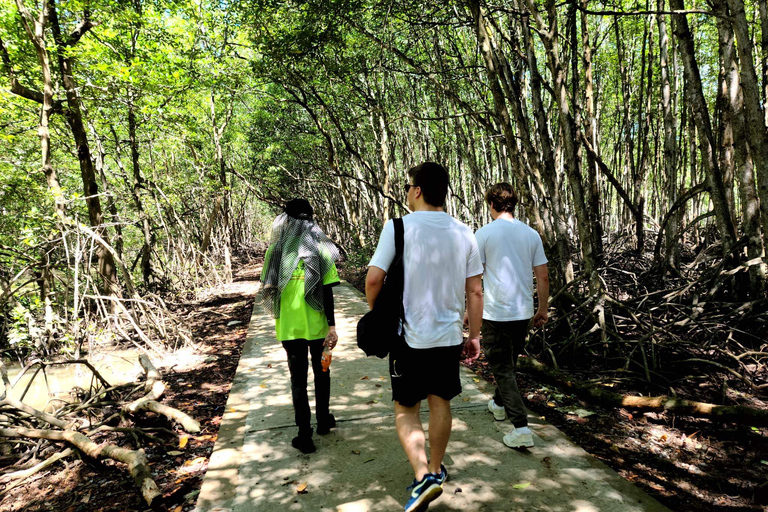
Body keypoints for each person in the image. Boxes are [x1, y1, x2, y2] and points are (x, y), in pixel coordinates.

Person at [366, 162, 484, 512]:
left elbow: (374, 279)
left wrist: (379, 314)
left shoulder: (398, 227)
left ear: (417, 190)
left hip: (408, 336)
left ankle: (423, 478)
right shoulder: (465, 232)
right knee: (440, 402)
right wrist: (474, 336)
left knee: (406, 410)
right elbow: (475, 291)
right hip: (448, 335)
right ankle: (435, 468)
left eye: (408, 186)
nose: (406, 192)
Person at [261, 198, 341, 454]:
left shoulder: (275, 250)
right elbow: (328, 291)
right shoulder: (321, 248)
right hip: (317, 326)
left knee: (298, 380)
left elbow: (268, 287)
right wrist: (332, 326)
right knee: (322, 373)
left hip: (289, 328)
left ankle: (304, 435)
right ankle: (323, 422)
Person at [474, 183, 549, 448]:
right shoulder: (530, 234)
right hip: (522, 312)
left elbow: (474, 280)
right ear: (513, 204)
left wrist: (468, 314)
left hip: (495, 313)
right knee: (507, 364)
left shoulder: (483, 234)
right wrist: (542, 308)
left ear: (491, 204)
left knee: (504, 368)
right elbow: (543, 275)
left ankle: (521, 428)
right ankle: (497, 403)